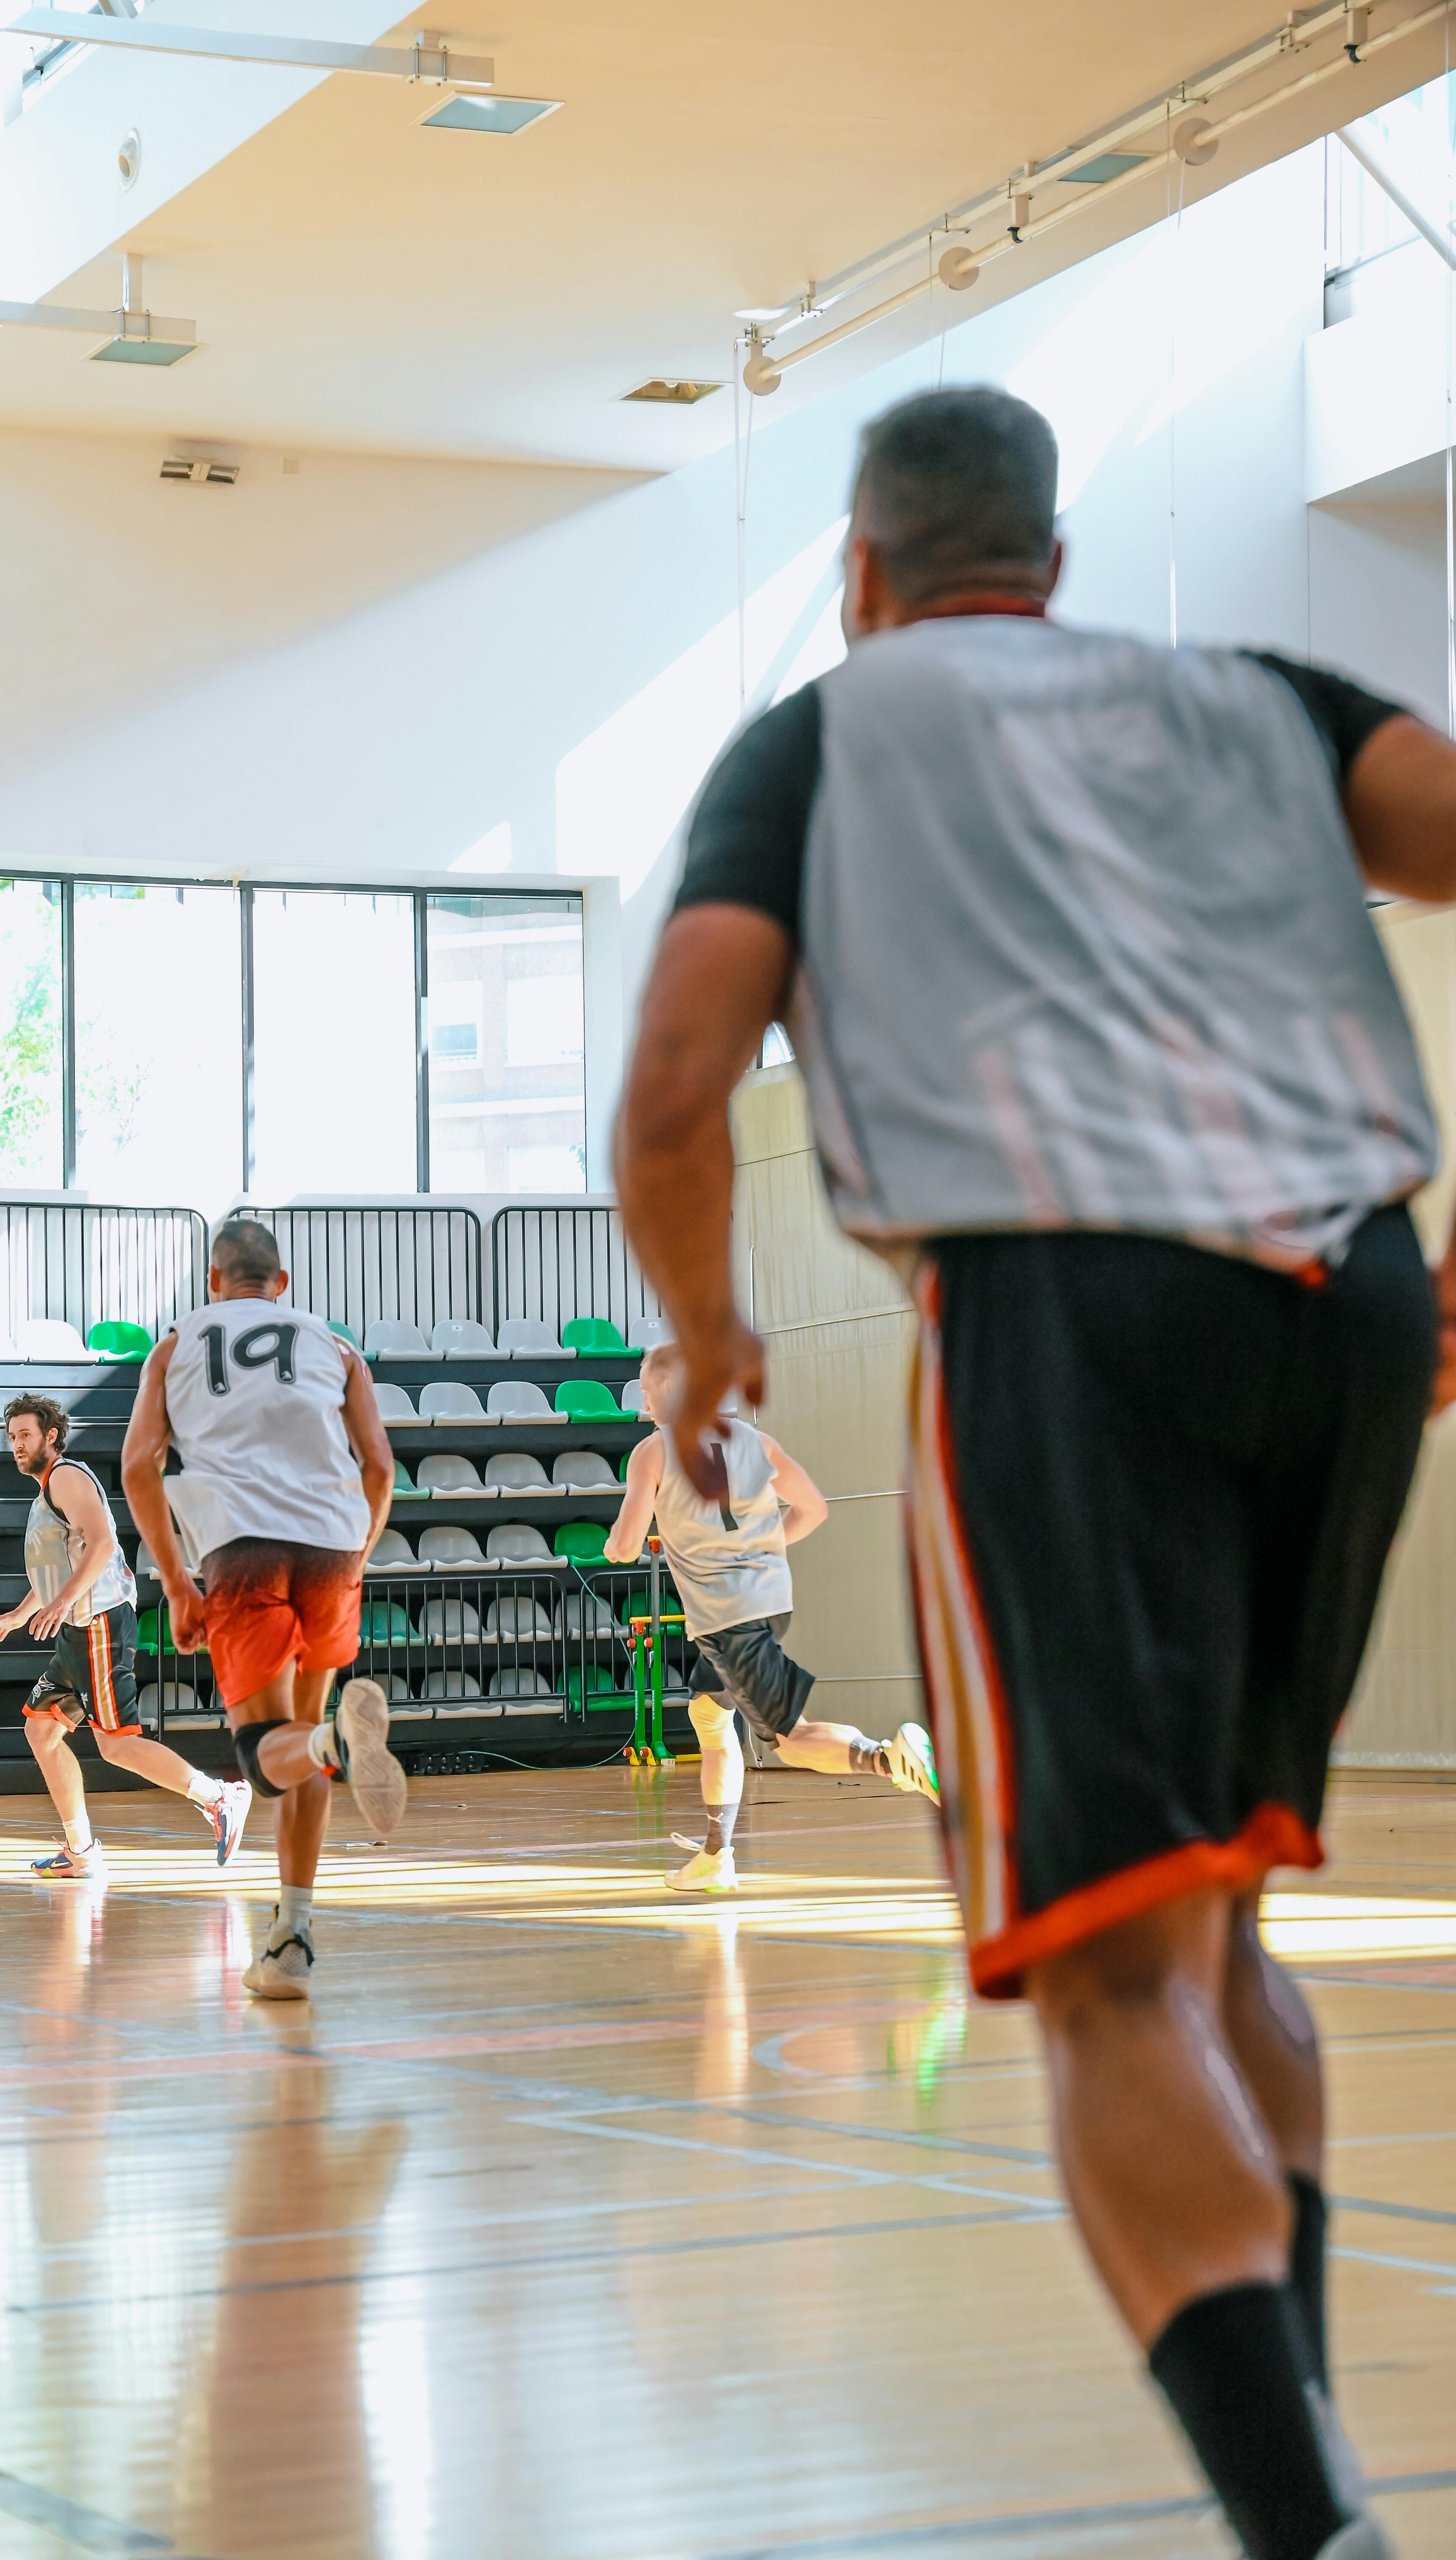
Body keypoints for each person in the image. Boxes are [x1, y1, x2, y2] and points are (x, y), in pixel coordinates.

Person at [612, 384, 1456, 2560]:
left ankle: (1312, 2535)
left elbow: (679, 1081)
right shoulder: (1254, 696)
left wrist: (709, 1336)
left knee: (1096, 1971)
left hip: (1072, 1304)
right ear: (1055, 567)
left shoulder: (824, 734)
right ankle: (1322, 2470)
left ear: (862, 571)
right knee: (1213, 1925)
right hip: (1345, 1290)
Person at [120, 1217, 401, 2000]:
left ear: (214, 1282)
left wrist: (177, 1581)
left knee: (265, 1752)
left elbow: (139, 1467)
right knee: (306, 1744)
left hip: (241, 1547)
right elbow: (379, 1465)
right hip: (333, 1543)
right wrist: (360, 1555)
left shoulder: (176, 1345)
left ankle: (337, 1740)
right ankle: (292, 1939)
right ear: (282, 1284)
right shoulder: (334, 1346)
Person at [605, 1342, 936, 1891]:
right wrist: (759, 1551)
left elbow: (626, 1540)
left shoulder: (654, 1452)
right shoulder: (758, 1441)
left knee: (789, 1738)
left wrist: (618, 1545)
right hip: (768, 1600)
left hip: (727, 1614)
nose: (644, 1402)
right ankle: (717, 1854)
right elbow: (814, 1509)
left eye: (647, 1389)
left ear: (670, 1389)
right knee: (710, 1718)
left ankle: (888, 1760)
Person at [0, 1393, 252, 1881]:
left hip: (99, 1624)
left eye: (25, 1435)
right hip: (77, 1631)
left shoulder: (66, 1477)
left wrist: (63, 1602)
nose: (17, 1446)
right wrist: (22, 1612)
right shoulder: (48, 1490)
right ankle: (80, 1849)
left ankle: (221, 1797)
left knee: (117, 1745)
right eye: (12, 1438)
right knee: (42, 1732)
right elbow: (56, 1569)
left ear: (51, 1436)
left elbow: (104, 1542)